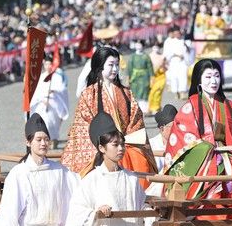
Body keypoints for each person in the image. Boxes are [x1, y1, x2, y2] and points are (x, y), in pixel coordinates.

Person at [163, 59, 232, 218]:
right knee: (214, 170)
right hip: (203, 159)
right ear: (198, 80)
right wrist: (206, 149)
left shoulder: (229, 105)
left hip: (228, 154)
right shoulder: (189, 107)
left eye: (217, 76)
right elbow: (183, 137)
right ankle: (210, 215)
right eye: (208, 77)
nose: (213, 81)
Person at [61, 46, 157, 185]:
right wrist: (105, 144)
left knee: (140, 164)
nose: (115, 69)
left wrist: (124, 140)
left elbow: (136, 119)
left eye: (117, 65)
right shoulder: (89, 94)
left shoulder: (126, 92)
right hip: (100, 148)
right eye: (111, 65)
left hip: (126, 145)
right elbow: (82, 126)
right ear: (100, 66)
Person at [30, 52, 69, 148]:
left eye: (50, 64)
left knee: (53, 122)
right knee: (45, 121)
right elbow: (37, 91)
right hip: (42, 103)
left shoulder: (57, 76)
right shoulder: (41, 77)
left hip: (54, 102)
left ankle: (54, 138)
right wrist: (41, 99)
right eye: (46, 64)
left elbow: (62, 89)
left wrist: (54, 90)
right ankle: (46, 139)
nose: (48, 66)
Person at [162, 26, 190, 100]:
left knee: (183, 76)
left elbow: (187, 51)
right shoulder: (170, 42)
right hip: (174, 61)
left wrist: (184, 54)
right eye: (176, 33)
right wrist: (176, 55)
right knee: (174, 77)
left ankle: (182, 92)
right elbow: (168, 52)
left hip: (182, 62)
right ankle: (176, 92)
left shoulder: (183, 41)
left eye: (178, 33)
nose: (177, 35)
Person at [127, 41, 154, 115]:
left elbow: (150, 67)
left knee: (145, 91)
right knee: (135, 92)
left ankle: (145, 109)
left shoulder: (146, 56)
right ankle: (136, 109)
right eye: (137, 45)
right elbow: (129, 68)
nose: (138, 46)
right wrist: (128, 77)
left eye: (140, 45)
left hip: (145, 77)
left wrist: (152, 77)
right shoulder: (132, 56)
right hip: (135, 77)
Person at [149, 104, 177, 172]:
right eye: (173, 127)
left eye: (178, 126)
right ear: (162, 128)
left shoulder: (183, 141)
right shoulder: (151, 145)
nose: (176, 129)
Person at [147, 41, 166, 115]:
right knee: (151, 93)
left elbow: (165, 67)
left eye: (157, 46)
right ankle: (150, 108)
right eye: (154, 46)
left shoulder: (162, 56)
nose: (156, 48)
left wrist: (162, 68)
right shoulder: (148, 56)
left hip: (160, 77)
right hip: (151, 77)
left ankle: (156, 107)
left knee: (158, 92)